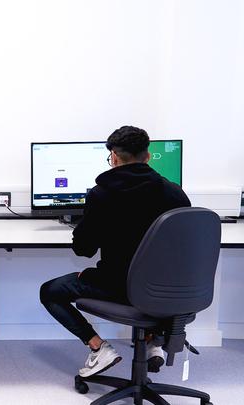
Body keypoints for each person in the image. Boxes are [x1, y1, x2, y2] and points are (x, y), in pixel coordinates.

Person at [39, 126, 191, 378]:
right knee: (153, 275)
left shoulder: (102, 194)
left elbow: (83, 249)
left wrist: (86, 224)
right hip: (168, 291)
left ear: (114, 157)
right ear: (148, 156)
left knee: (50, 291)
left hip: (119, 289)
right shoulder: (175, 192)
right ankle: (155, 339)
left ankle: (98, 347)